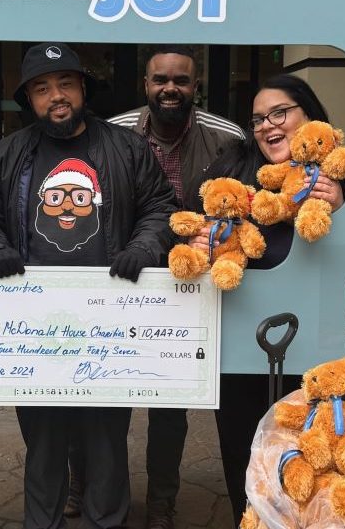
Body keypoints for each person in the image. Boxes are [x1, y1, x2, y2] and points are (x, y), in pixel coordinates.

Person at [0, 42, 177, 529]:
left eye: (65, 84)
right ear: (30, 100)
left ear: (83, 88)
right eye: (42, 88)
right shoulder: (8, 155)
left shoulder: (127, 148)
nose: (55, 96)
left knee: (106, 438)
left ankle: (108, 520)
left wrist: (146, 248)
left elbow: (160, 207)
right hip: (33, 325)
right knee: (43, 441)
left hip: (111, 323)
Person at [62, 46, 241, 529]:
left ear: (195, 86)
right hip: (120, 276)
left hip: (189, 286)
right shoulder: (111, 131)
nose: (170, 89)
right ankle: (83, 485)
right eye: (160, 79)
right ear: (145, 84)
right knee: (94, 390)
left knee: (169, 404)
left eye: (181, 80)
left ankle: (162, 500)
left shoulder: (227, 138)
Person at [193, 74, 345, 526]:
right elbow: (195, 225)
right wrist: (203, 239)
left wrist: (340, 200)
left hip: (313, 349)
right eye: (259, 118)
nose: (267, 126)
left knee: (309, 463)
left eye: (280, 112)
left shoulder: (338, 175)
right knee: (243, 456)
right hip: (241, 348)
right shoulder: (234, 169)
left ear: (310, 115)